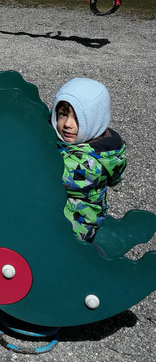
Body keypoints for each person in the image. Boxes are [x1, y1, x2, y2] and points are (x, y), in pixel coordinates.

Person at [50, 77, 127, 242]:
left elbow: (50, 174)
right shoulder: (83, 139)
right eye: (63, 114)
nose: (68, 124)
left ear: (95, 120)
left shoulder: (90, 164)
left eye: (78, 118)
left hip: (77, 224)